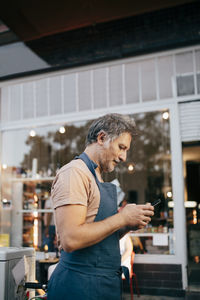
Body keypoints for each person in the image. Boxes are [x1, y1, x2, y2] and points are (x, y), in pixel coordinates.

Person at [47, 113, 154, 300]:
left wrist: (126, 226)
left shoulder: (96, 176)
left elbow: (96, 236)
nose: (123, 157)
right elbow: (71, 239)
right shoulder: (74, 173)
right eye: (121, 148)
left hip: (101, 285)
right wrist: (121, 217)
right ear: (102, 138)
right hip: (78, 287)